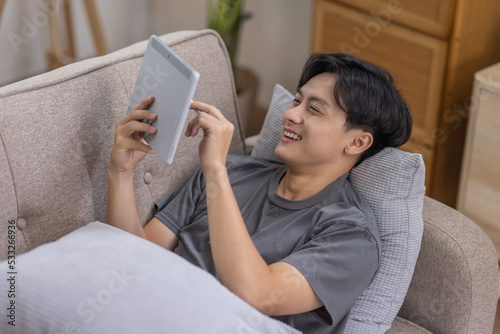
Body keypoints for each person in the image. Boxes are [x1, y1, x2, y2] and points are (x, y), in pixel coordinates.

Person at [106, 52, 412, 333]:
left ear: (357, 143)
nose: (291, 115)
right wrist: (120, 172)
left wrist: (215, 171)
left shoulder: (351, 236)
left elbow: (257, 294)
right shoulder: (234, 172)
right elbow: (134, 258)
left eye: (314, 110)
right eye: (296, 102)